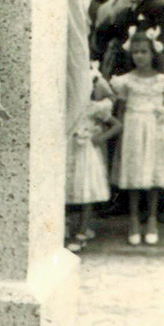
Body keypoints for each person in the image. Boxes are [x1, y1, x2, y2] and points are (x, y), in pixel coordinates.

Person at [111, 31, 164, 246]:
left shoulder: (163, 81)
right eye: (135, 52)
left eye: (144, 52)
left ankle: (151, 219)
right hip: (133, 128)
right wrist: (120, 136)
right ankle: (133, 220)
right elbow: (120, 112)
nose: (139, 56)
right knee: (134, 172)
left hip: (155, 129)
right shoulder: (126, 81)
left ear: (152, 53)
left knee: (153, 172)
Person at [65, 65, 122, 252]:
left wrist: (100, 138)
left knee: (85, 190)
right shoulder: (67, 106)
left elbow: (116, 125)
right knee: (67, 189)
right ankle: (67, 226)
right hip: (68, 151)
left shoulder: (94, 107)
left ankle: (82, 230)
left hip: (86, 153)